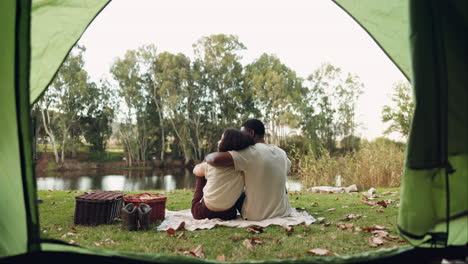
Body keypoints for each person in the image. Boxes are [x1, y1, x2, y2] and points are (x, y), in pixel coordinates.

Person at [205, 119, 292, 221]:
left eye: (242, 134)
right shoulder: (281, 152)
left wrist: (206, 157)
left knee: (235, 190)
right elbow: (287, 167)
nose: (240, 137)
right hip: (283, 212)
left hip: (256, 215)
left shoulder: (249, 152)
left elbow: (214, 159)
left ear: (251, 133)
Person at [191, 128, 255, 220]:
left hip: (203, 212)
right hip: (228, 214)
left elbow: (195, 170)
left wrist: (204, 163)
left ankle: (201, 201)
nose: (218, 141)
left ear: (227, 143)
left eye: (221, 139)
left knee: (199, 173)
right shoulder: (242, 166)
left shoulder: (210, 165)